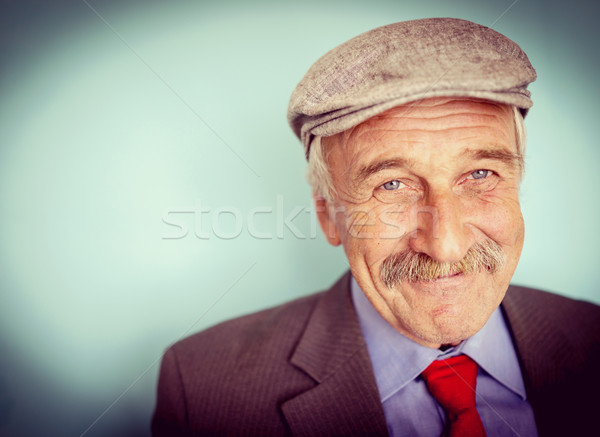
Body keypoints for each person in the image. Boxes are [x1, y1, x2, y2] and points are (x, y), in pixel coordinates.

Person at [152, 18, 600, 437]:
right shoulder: (203, 386)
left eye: (480, 175)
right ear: (329, 215)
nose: (445, 245)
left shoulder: (591, 336)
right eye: (392, 185)